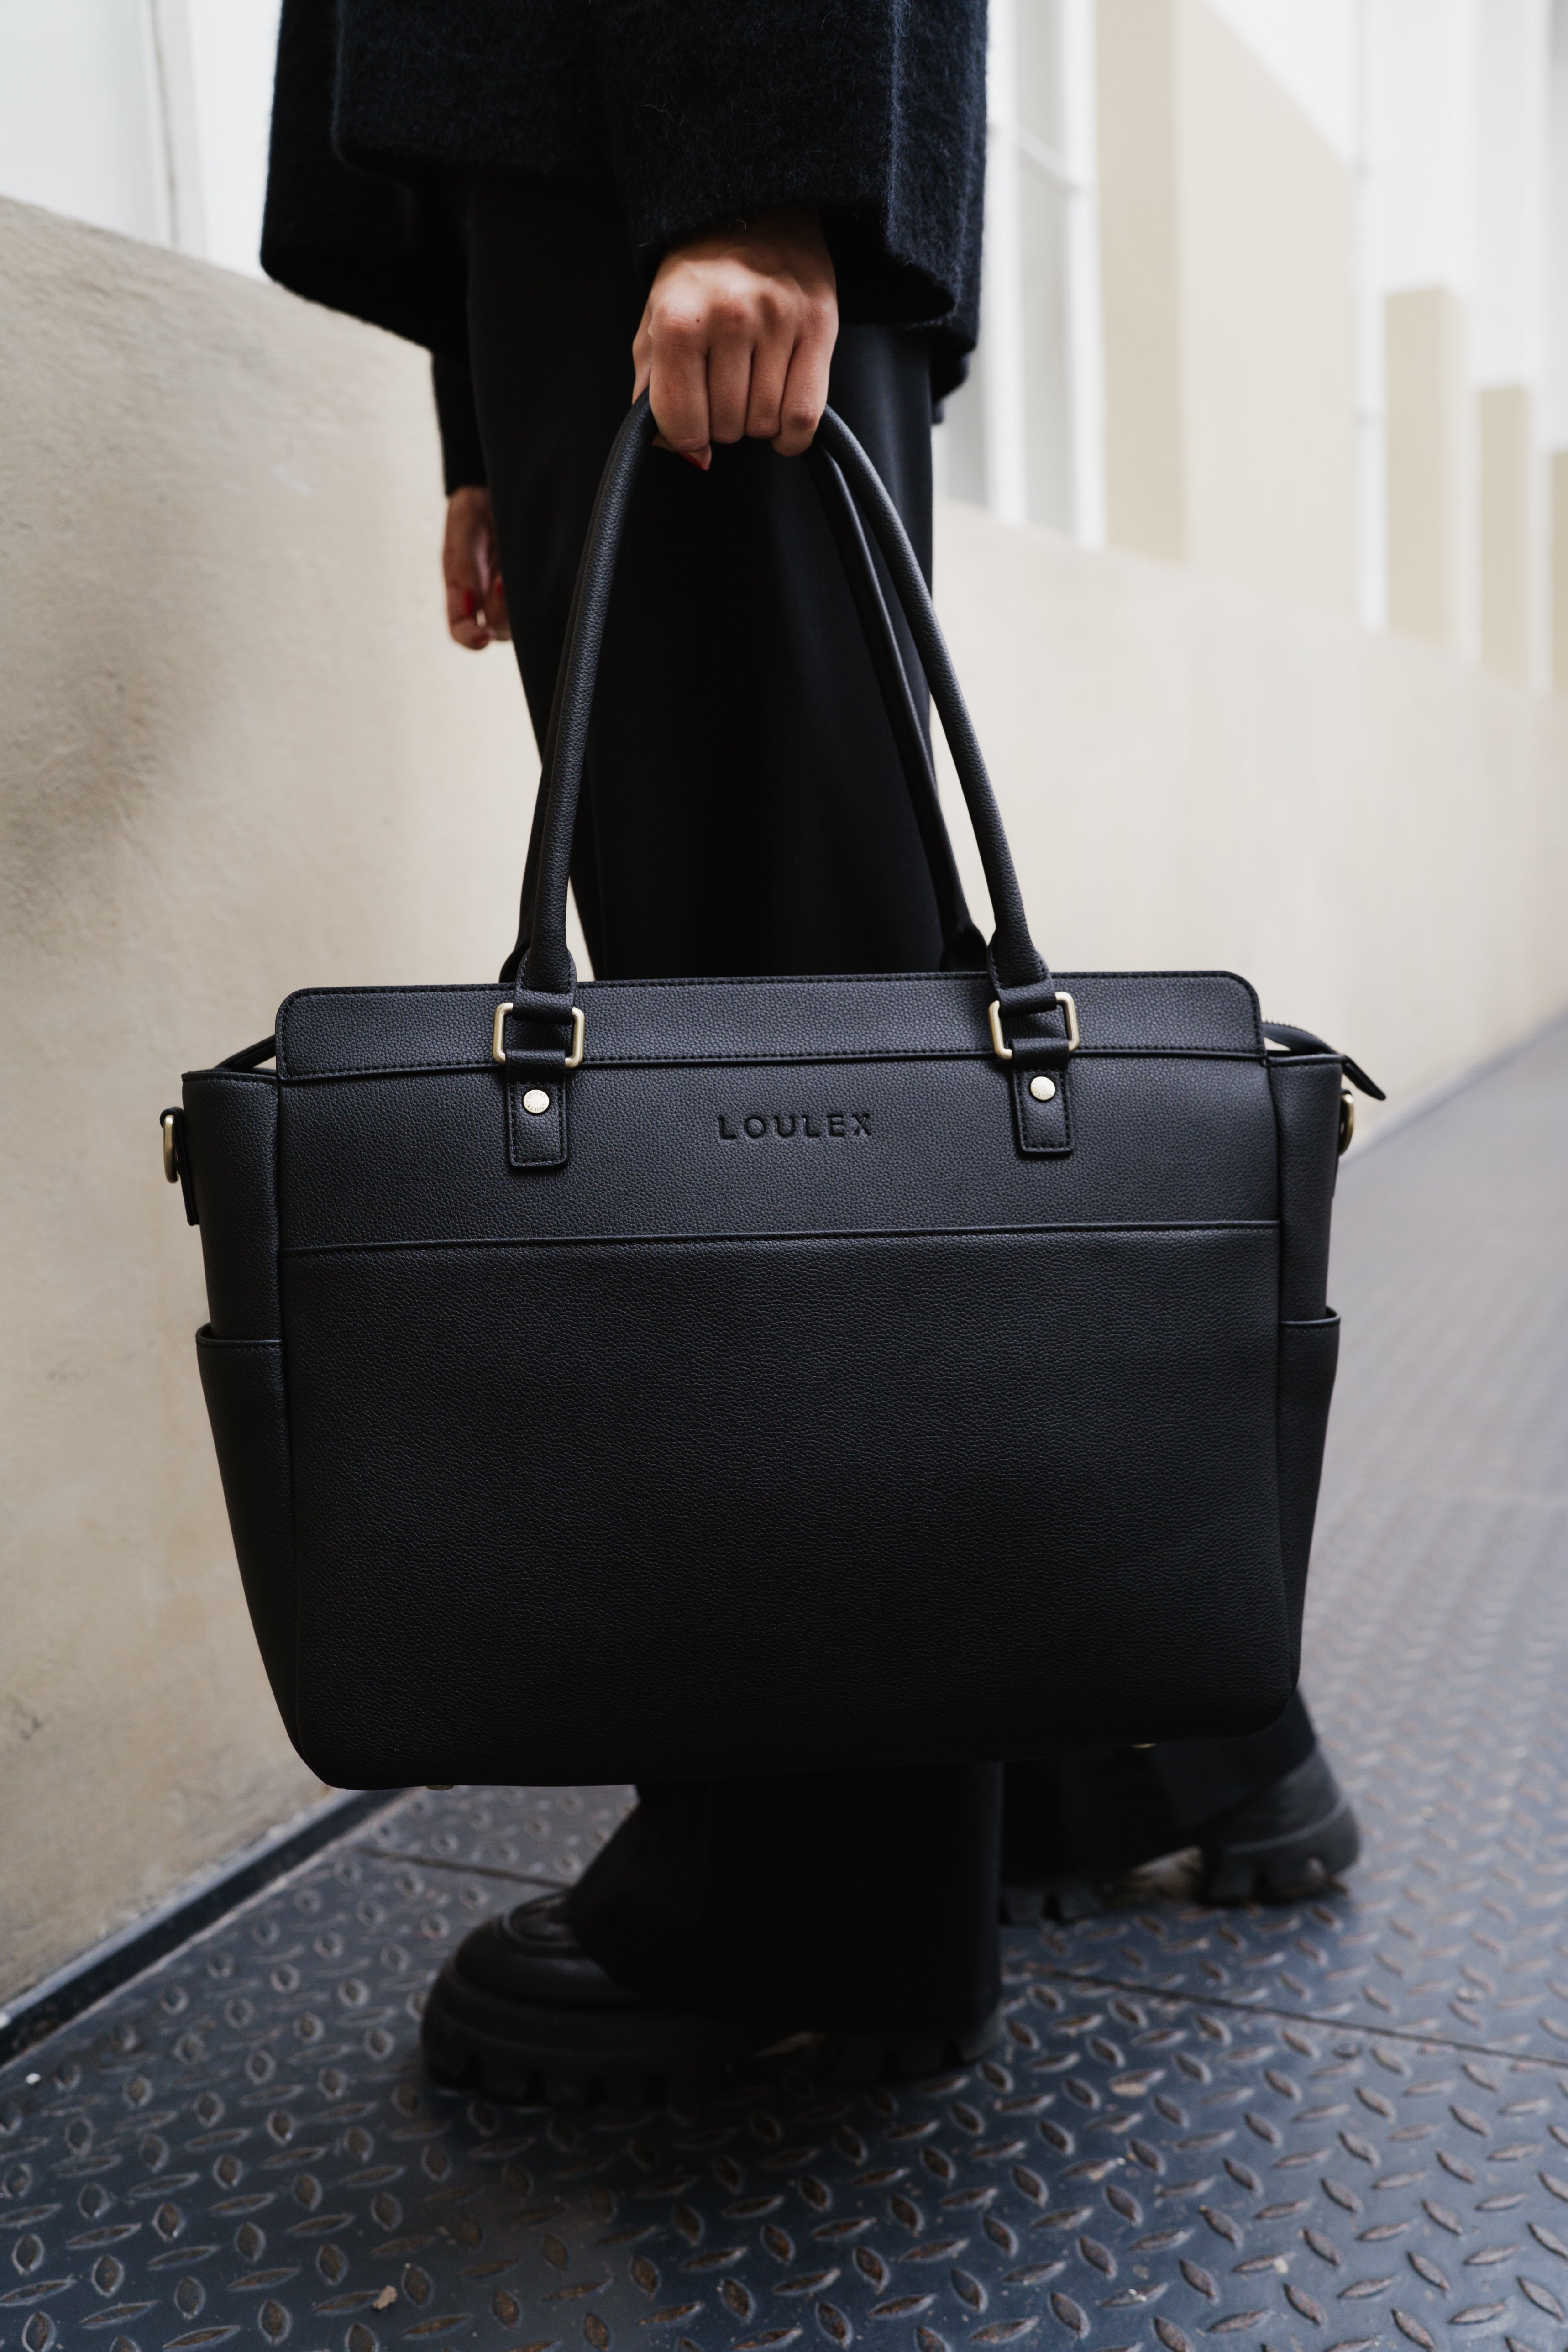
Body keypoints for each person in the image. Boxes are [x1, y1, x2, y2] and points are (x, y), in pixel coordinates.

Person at [261, 0, 1360, 2100]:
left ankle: (816, 1897)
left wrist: (758, 172)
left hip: (681, 123)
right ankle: (1120, 1731)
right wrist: (483, 400)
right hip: (595, 164)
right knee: (807, 963)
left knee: (773, 985)